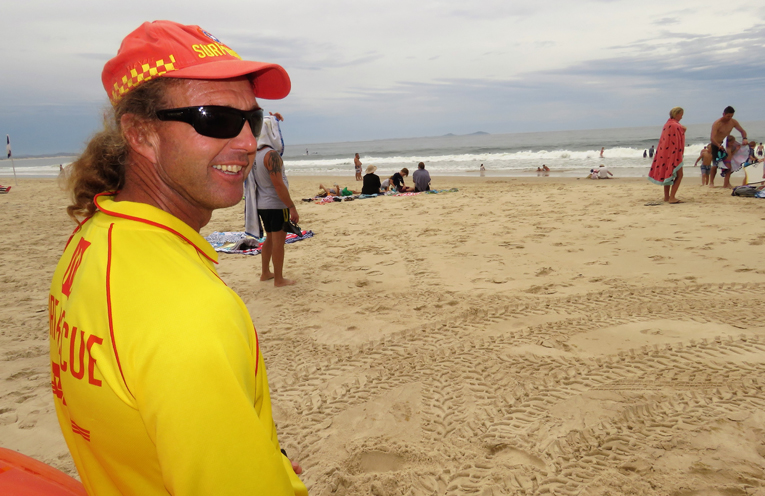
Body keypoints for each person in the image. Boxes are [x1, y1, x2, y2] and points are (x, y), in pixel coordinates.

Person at [48, 21, 306, 496]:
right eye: (215, 119)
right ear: (141, 134)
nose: (249, 142)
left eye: (251, 120)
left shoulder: (93, 240)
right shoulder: (187, 314)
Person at [250, 113, 299, 287]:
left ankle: (265, 273)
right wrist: (291, 206)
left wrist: (273, 117)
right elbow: (279, 185)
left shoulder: (254, 155)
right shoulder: (271, 155)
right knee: (279, 242)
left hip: (262, 205)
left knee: (269, 239)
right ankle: (279, 278)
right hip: (276, 205)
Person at [648, 107, 686, 203]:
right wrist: (683, 130)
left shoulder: (667, 124)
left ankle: (666, 197)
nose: (682, 116)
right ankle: (672, 197)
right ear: (676, 114)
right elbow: (676, 141)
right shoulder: (675, 126)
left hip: (665, 153)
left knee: (667, 174)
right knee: (680, 175)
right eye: (681, 114)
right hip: (674, 153)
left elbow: (665, 140)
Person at [709, 106, 748, 188]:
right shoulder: (717, 123)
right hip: (716, 144)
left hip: (727, 144)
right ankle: (711, 182)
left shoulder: (733, 122)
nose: (729, 118)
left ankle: (726, 183)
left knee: (729, 164)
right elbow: (712, 138)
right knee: (715, 164)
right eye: (728, 116)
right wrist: (718, 145)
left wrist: (744, 138)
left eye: (731, 116)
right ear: (723, 114)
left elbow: (742, 131)